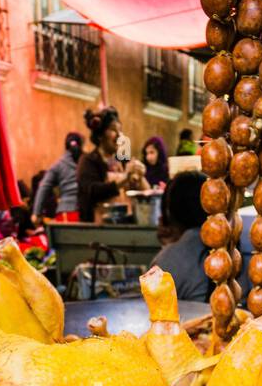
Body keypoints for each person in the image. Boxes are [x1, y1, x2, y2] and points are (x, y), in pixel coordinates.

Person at [150, 170, 212, 303]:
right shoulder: (233, 246)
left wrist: (168, 249)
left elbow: (151, 312)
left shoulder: (166, 262)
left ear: (170, 213)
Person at [77, 107, 146, 222]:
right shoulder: (88, 161)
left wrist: (141, 176)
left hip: (124, 227)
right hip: (98, 229)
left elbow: (144, 194)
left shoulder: (123, 161)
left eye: (120, 130)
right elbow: (92, 191)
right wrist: (124, 178)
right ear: (100, 135)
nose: (119, 135)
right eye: (113, 130)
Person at [31, 131, 83, 224]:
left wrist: (36, 213)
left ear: (66, 146)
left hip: (65, 213)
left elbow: (43, 187)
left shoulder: (58, 165)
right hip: (87, 211)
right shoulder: (87, 162)